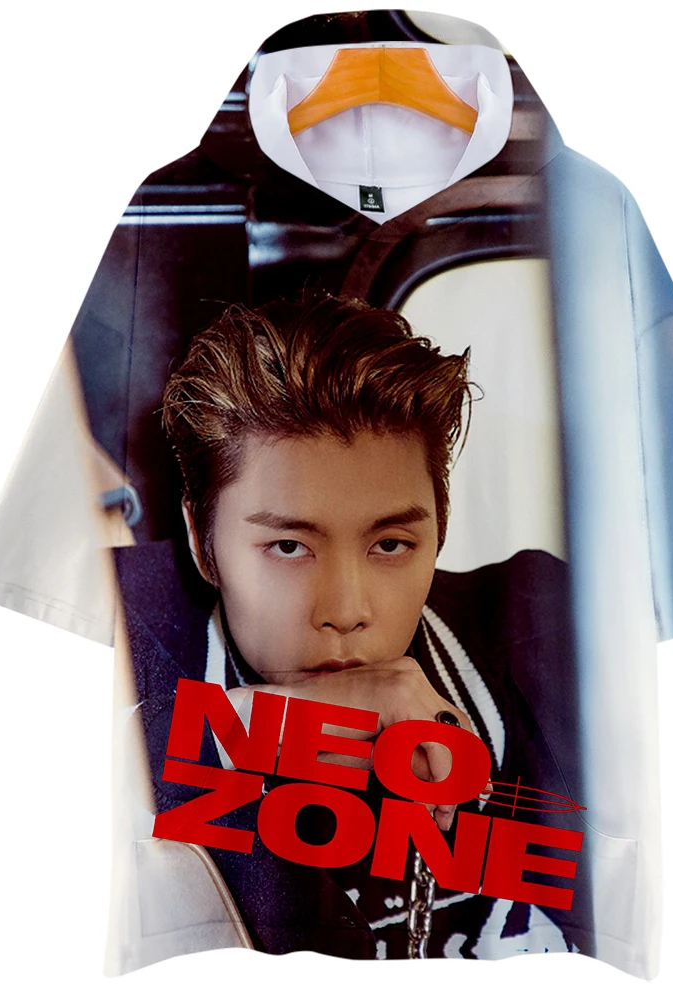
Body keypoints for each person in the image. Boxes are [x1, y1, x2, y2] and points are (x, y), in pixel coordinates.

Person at [115, 288, 591, 960]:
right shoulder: (121, 625)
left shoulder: (544, 627)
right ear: (202, 541)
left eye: (390, 544)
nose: (345, 609)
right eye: (288, 547)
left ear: (440, 528)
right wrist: (263, 726)